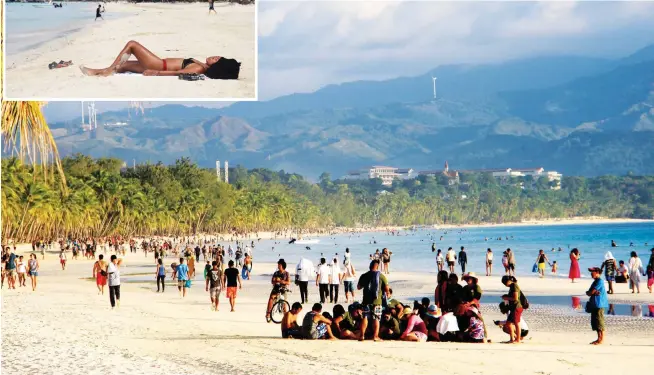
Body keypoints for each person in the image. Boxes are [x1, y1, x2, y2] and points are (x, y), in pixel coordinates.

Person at [79, 40, 241, 79]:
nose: (215, 56)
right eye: (218, 56)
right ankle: (97, 72)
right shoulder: (202, 65)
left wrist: (156, 72)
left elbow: (179, 73)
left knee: (132, 45)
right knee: (124, 65)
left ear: (217, 67)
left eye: (217, 60)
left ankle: (106, 71)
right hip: (157, 64)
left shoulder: (199, 69)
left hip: (158, 65)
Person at [357, 260, 390, 341]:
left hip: (366, 301)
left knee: (365, 317)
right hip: (377, 301)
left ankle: (362, 336)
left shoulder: (364, 275)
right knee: (376, 318)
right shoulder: (381, 276)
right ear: (377, 266)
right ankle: (375, 336)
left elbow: (358, 287)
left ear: (370, 266)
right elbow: (386, 289)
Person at [586, 267, 609, 345]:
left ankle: (601, 339)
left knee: (599, 321)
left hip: (599, 304)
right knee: (595, 322)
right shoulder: (595, 282)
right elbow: (588, 293)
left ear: (597, 273)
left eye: (592, 272)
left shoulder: (600, 281)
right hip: (595, 303)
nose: (591, 274)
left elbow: (591, 292)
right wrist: (592, 292)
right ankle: (598, 338)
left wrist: (592, 292)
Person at [501, 275, 523, 343]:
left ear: (509, 281)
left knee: (516, 323)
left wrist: (506, 298)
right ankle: (513, 339)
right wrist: (506, 296)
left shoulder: (514, 285)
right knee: (508, 323)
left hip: (517, 307)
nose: (505, 285)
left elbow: (515, 298)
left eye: (505, 283)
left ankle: (518, 339)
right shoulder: (511, 286)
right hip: (513, 307)